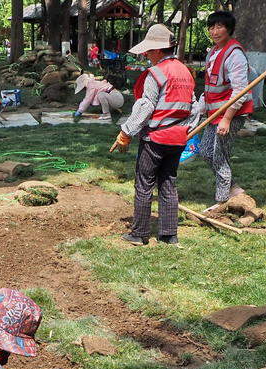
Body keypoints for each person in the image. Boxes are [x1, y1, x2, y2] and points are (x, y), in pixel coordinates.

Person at [109, 23, 194, 247]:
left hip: (155, 138)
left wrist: (126, 131)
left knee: (144, 184)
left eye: (148, 50)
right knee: (168, 184)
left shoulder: (155, 73)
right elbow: (193, 105)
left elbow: (146, 106)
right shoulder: (185, 71)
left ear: (158, 50)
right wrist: (186, 127)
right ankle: (169, 235)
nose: (146, 54)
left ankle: (139, 233)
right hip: (177, 139)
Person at [193, 11, 254, 213]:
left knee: (219, 155)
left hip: (232, 113)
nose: (215, 31)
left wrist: (227, 119)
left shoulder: (234, 54)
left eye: (219, 27)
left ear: (229, 29)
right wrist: (200, 109)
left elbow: (240, 92)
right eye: (211, 27)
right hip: (215, 113)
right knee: (205, 152)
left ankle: (221, 202)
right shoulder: (214, 51)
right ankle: (233, 188)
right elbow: (212, 86)